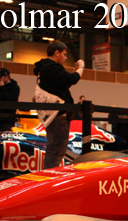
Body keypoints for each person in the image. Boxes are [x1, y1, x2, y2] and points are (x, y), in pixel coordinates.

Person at [33, 40, 84, 168]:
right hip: (58, 116)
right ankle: (49, 181)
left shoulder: (45, 68)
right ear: (57, 53)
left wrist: (74, 72)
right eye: (64, 54)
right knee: (56, 152)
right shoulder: (51, 67)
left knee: (54, 151)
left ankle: (49, 179)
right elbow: (72, 79)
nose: (66, 58)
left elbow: (64, 83)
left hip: (53, 115)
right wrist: (81, 68)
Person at [0, 67, 20, 132]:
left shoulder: (14, 87)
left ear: (6, 76)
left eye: (0, 77)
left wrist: (2, 87)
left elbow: (10, 99)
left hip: (6, 119)